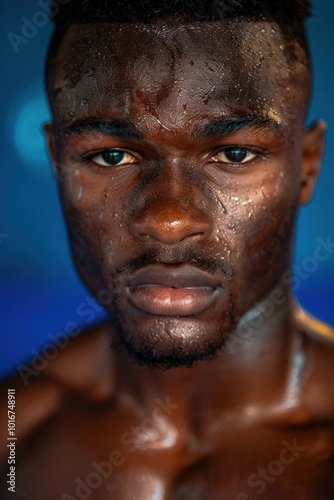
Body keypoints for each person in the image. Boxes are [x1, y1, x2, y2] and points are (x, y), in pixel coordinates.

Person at [1, 0, 334, 498]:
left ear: (305, 165)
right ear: (57, 161)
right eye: (110, 156)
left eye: (234, 154)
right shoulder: (13, 430)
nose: (169, 221)